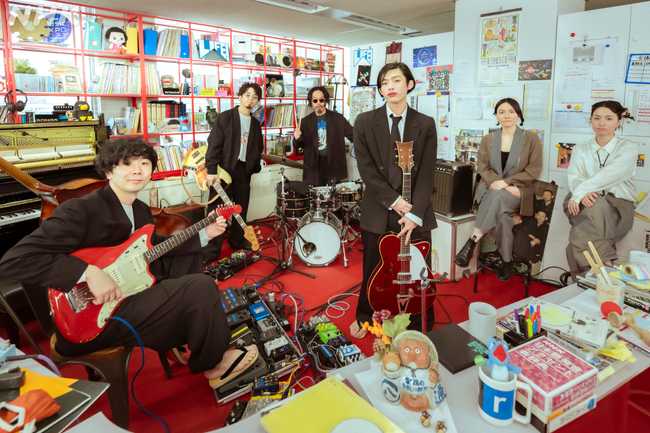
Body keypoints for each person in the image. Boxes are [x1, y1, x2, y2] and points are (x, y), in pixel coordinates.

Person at [0, 139, 257, 383]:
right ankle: (213, 364)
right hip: (89, 318)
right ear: (109, 171)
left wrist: (204, 234)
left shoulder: (140, 210)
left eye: (144, 164)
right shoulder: (80, 210)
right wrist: (87, 271)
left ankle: (192, 336)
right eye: (127, 164)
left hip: (129, 295)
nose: (138, 170)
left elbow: (152, 247)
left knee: (188, 272)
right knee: (201, 287)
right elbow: (14, 260)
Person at [351, 62, 436, 338]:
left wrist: (414, 212)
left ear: (409, 84)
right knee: (373, 267)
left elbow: (426, 173)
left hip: (416, 210)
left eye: (396, 80)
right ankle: (366, 317)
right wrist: (395, 201)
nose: (390, 86)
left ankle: (419, 320)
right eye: (384, 82)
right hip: (379, 207)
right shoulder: (364, 122)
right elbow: (366, 170)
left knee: (418, 270)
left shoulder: (425, 124)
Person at [455, 98, 542, 280]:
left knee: (500, 195)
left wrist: (507, 182)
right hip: (492, 188)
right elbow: (482, 167)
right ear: (496, 116)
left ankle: (475, 237)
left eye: (511, 111)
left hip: (518, 191)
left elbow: (533, 170)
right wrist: (496, 182)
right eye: (501, 112)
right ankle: (507, 260)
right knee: (503, 217)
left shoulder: (531, 139)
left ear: (518, 114)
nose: (506, 115)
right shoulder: (489, 139)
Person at [564, 100, 637, 275]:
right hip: (580, 201)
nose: (601, 123)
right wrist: (580, 193)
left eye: (608, 118)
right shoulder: (581, 148)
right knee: (593, 205)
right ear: (590, 120)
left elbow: (611, 174)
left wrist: (582, 192)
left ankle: (589, 274)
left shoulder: (628, 148)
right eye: (596, 118)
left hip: (618, 205)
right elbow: (574, 176)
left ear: (619, 121)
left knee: (575, 242)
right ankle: (605, 265)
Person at [205, 83, 264, 260]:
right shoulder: (225, 118)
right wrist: (211, 169)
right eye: (247, 95)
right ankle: (211, 250)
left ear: (257, 101)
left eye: (254, 97)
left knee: (241, 208)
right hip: (223, 170)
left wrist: (253, 166)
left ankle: (237, 241)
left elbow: (257, 147)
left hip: (243, 171)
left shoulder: (255, 123)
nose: (250, 99)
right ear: (239, 96)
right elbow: (213, 144)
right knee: (217, 210)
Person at [294, 86, 354, 186]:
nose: (318, 103)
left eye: (321, 100)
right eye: (315, 100)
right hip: (314, 170)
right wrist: (297, 138)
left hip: (333, 168)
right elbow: (299, 147)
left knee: (334, 200)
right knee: (315, 200)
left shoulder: (338, 118)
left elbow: (353, 136)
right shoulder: (305, 122)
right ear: (311, 103)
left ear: (325, 101)